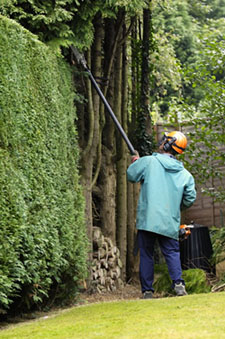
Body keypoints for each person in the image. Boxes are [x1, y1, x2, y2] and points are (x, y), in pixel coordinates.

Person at [127, 131, 196, 299]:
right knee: (172, 252)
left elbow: (131, 175)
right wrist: (175, 207)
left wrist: (136, 162)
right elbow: (190, 198)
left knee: (147, 253)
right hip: (169, 221)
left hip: (148, 220)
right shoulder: (185, 175)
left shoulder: (149, 162)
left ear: (166, 144)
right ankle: (178, 285)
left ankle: (148, 291)